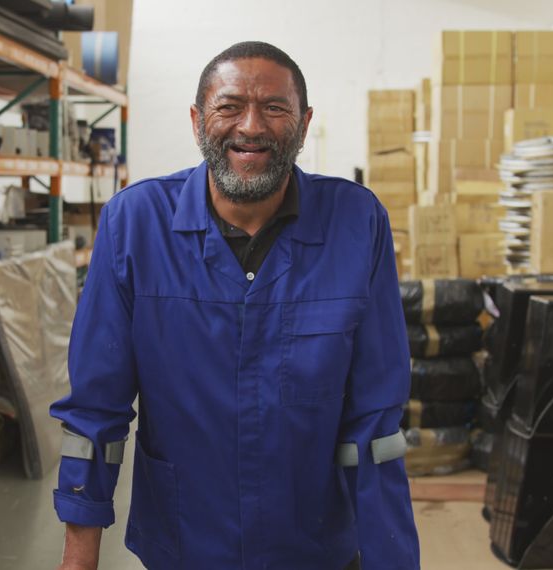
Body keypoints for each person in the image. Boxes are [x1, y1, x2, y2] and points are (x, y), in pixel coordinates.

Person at [50, 41, 420, 570]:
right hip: (183, 544)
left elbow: (375, 425)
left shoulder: (356, 223)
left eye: (275, 107)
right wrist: (78, 561)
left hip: (316, 549)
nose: (251, 126)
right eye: (229, 107)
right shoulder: (134, 224)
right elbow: (95, 411)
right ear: (199, 121)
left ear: (304, 121)